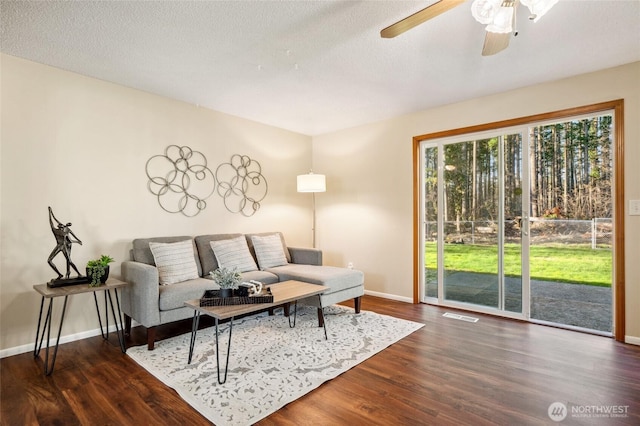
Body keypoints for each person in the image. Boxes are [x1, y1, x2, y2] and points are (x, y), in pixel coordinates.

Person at [47, 207, 83, 280]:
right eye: (60, 226)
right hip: (59, 246)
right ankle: (60, 274)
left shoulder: (63, 232)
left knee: (69, 261)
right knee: (49, 260)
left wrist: (50, 213)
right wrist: (50, 213)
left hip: (63, 247)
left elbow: (71, 239)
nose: (61, 228)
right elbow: (51, 222)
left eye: (62, 227)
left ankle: (79, 273)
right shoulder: (57, 231)